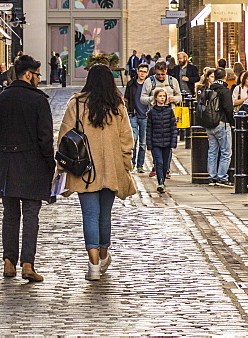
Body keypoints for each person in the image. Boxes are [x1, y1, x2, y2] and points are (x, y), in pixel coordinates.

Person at [57, 64, 135, 281]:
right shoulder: (117, 105)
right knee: (104, 215)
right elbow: (126, 139)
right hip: (112, 167)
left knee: (90, 215)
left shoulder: (77, 104)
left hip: (84, 169)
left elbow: (64, 137)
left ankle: (93, 266)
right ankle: (102, 255)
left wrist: (63, 166)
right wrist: (125, 164)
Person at [0, 54, 53, 282]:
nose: (38, 78)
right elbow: (46, 139)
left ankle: (8, 262)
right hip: (33, 163)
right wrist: (49, 164)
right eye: (36, 74)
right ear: (27, 74)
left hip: (8, 164)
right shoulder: (39, 100)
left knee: (10, 215)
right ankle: (27, 264)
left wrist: (5, 152)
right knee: (31, 215)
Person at [205, 68, 234, 187]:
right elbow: (228, 108)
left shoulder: (208, 90)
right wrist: (232, 122)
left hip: (209, 124)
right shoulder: (225, 91)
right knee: (226, 152)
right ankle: (222, 177)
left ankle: (212, 177)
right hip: (222, 123)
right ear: (225, 77)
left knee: (212, 151)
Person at [146, 88, 178, 193]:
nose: (162, 98)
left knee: (165, 165)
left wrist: (173, 142)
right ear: (156, 98)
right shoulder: (151, 112)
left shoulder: (169, 111)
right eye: (160, 96)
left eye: (164, 96)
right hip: (156, 142)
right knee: (158, 163)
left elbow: (173, 128)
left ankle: (162, 181)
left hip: (167, 141)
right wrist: (149, 144)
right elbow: (149, 129)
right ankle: (160, 182)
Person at [123, 63, 150, 173]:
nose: (142, 73)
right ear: (137, 72)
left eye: (144, 72)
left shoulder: (149, 85)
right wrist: (128, 111)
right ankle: (132, 163)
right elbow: (126, 99)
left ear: (147, 73)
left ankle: (140, 165)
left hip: (145, 116)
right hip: (133, 115)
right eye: (141, 71)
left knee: (143, 143)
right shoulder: (131, 84)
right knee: (133, 140)